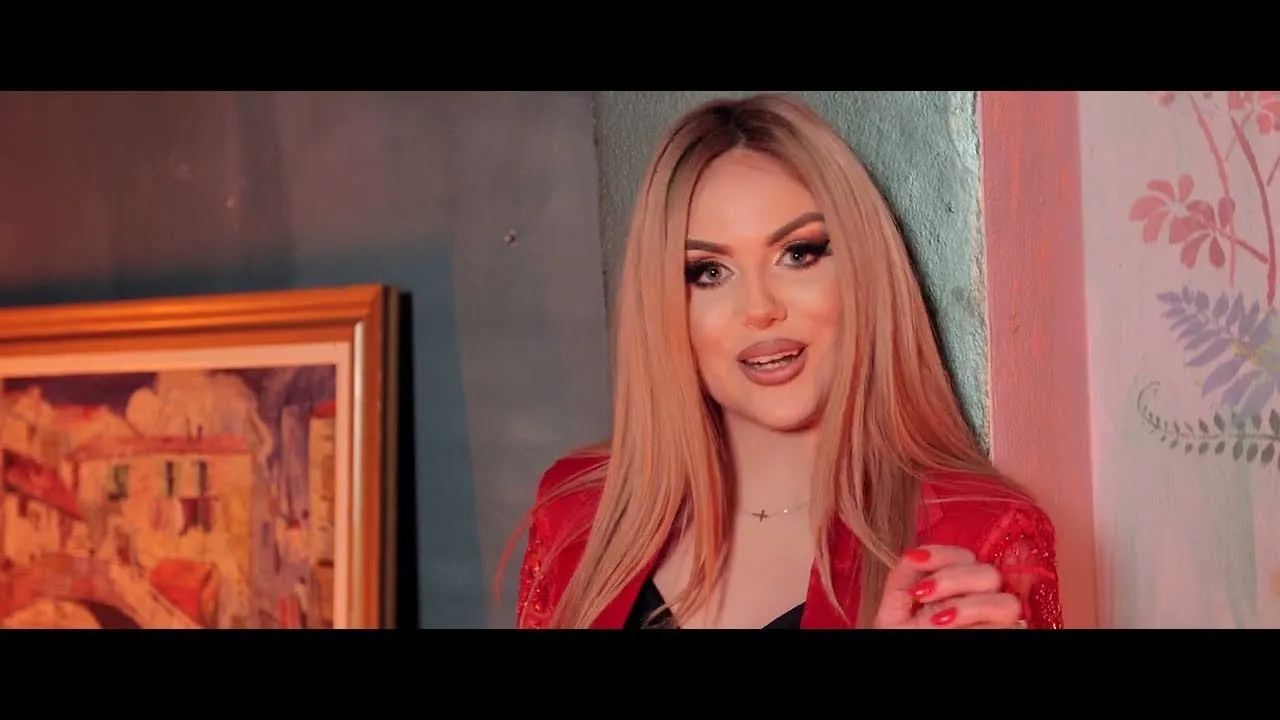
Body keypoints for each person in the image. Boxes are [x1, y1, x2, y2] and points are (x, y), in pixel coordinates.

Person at [499, 93, 1063, 630]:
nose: (760, 309)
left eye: (798, 254)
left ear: (863, 270)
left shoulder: (978, 534)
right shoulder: (578, 513)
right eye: (709, 272)